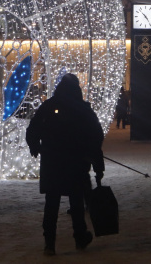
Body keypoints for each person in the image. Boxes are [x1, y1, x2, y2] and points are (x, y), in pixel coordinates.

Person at [26, 73, 104, 256]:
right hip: (75, 164)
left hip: (52, 162)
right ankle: (79, 237)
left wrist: (35, 146)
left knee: (51, 203)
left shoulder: (49, 106)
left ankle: (49, 243)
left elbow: (33, 129)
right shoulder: (83, 109)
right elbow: (95, 138)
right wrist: (98, 165)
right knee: (76, 201)